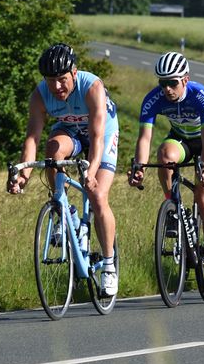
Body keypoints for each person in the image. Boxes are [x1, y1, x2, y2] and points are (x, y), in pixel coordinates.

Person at [8, 43, 120, 297]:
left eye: (62, 80)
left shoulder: (91, 87)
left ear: (74, 73)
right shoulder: (40, 95)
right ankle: (64, 209)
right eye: (51, 81)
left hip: (102, 134)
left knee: (98, 196)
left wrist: (91, 172)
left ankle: (109, 264)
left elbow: (97, 137)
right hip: (70, 130)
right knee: (52, 151)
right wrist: (24, 175)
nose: (57, 87)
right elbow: (32, 139)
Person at [128, 52, 204, 286]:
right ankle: (172, 205)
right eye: (162, 83)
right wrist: (139, 167)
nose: (167, 89)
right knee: (164, 155)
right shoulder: (153, 99)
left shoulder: (201, 96)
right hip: (181, 139)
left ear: (185, 80)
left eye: (172, 83)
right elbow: (144, 138)